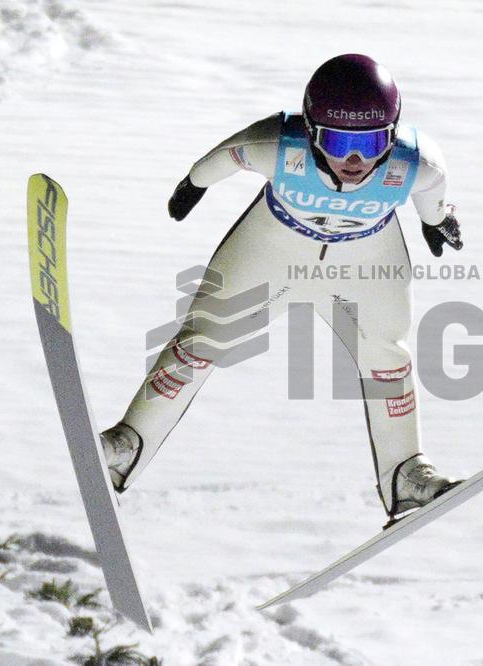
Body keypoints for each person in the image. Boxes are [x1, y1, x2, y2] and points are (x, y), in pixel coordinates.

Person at [100, 54, 464, 521]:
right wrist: (193, 186)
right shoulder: (276, 143)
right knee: (200, 342)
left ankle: (408, 477)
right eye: (337, 141)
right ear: (311, 131)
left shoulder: (417, 162)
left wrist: (437, 221)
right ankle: (129, 444)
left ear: (392, 134)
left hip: (365, 262)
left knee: (388, 359)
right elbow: (220, 159)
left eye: (372, 143)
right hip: (273, 251)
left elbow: (434, 196)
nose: (354, 161)